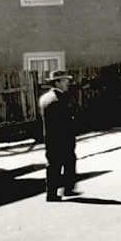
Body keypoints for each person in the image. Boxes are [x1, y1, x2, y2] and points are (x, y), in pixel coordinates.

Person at [39, 70, 79, 202]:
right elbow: (66, 121)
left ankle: (56, 191)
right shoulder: (59, 99)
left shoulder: (45, 98)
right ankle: (61, 191)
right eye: (65, 80)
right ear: (57, 82)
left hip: (50, 137)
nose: (67, 83)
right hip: (63, 137)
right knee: (64, 163)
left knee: (55, 164)